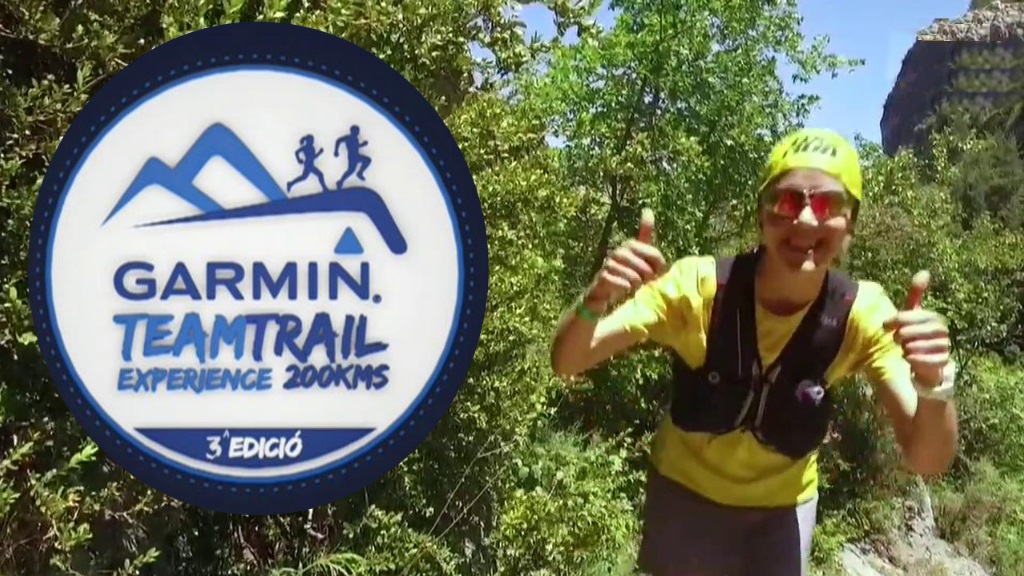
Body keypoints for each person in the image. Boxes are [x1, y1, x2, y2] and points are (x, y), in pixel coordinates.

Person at [549, 128, 959, 576]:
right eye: (787, 201)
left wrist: (933, 382)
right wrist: (598, 297)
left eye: (828, 204)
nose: (806, 219)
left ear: (851, 224)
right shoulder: (699, 291)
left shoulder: (863, 315)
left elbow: (927, 459)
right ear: (761, 216)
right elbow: (568, 361)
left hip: (782, 514)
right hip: (685, 499)